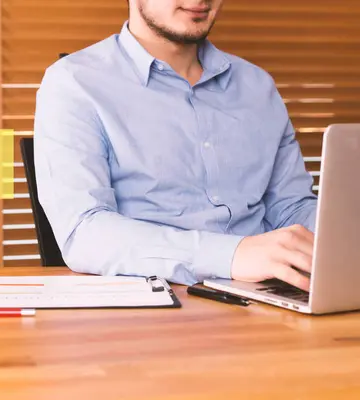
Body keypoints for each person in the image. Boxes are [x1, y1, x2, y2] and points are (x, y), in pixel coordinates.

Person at [33, 0, 317, 291]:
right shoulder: (74, 82)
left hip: (272, 296)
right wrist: (232, 255)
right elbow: (84, 233)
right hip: (153, 306)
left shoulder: (257, 86)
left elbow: (291, 207)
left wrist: (341, 234)